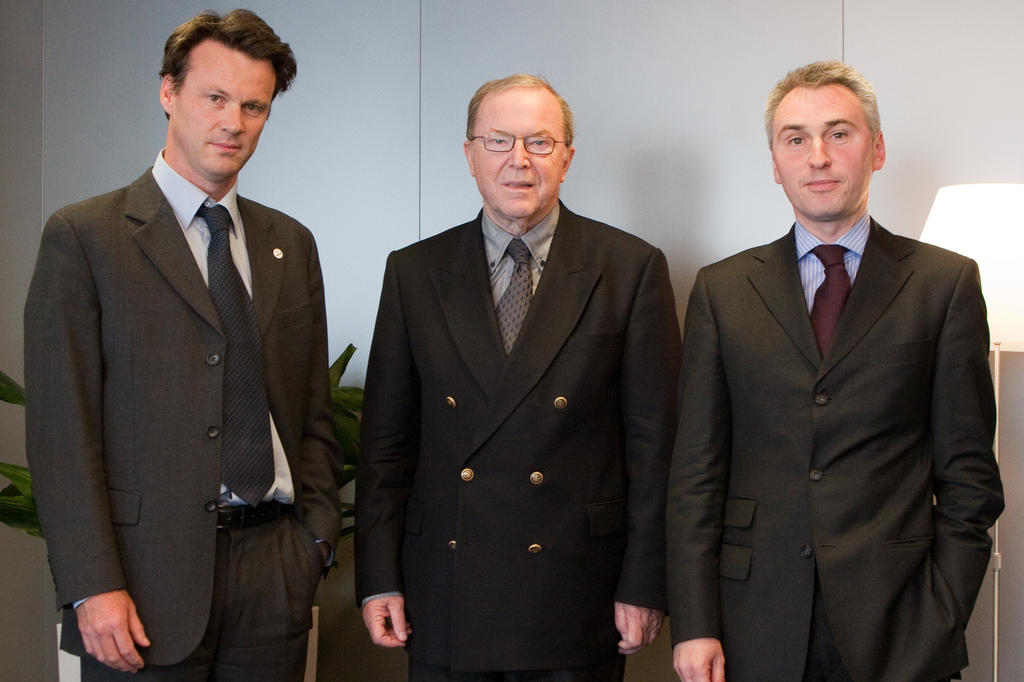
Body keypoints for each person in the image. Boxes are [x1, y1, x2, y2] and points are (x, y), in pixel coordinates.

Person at [24, 10, 340, 681]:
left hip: (272, 577)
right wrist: (90, 584)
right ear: (169, 92)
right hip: (139, 589)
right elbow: (61, 430)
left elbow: (311, 413)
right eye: (215, 98)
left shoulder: (290, 242)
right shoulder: (86, 237)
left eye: (254, 106)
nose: (233, 122)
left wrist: (312, 541)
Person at [667, 60, 1004, 682]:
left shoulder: (944, 285)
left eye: (839, 133)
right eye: (795, 138)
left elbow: (970, 480)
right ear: (775, 162)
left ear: (876, 149)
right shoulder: (722, 290)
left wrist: (943, 614)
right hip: (752, 624)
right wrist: (693, 622)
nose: (817, 156)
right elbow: (695, 475)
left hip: (900, 627)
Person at [355, 73, 681, 680]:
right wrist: (377, 579)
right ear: (470, 155)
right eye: (499, 141)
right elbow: (385, 449)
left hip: (576, 590)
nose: (519, 161)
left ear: (567, 158)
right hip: (445, 589)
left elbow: (655, 451)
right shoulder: (414, 271)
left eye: (540, 142)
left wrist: (645, 583)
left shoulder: (631, 268)